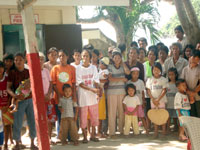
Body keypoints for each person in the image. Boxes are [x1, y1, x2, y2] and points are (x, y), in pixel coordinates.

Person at [7, 53, 37, 150]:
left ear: (24, 61)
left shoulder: (29, 72)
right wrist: (15, 96)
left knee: (32, 121)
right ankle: (17, 144)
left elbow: (34, 85)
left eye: (20, 60)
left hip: (30, 100)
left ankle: (33, 143)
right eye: (16, 60)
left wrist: (30, 86)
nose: (18, 62)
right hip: (18, 101)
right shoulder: (12, 73)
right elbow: (8, 88)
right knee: (17, 122)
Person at [51, 50, 76, 141]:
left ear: (67, 57)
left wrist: (73, 96)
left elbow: (73, 84)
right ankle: (61, 137)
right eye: (60, 56)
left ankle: (70, 136)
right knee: (61, 118)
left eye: (63, 56)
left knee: (69, 116)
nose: (61, 58)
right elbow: (53, 84)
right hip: (59, 98)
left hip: (69, 98)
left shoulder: (72, 68)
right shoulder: (55, 68)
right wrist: (59, 95)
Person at [76, 49, 100, 143]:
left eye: (87, 56)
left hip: (93, 98)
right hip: (83, 97)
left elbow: (96, 80)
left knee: (94, 117)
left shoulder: (93, 68)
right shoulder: (78, 68)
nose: (85, 58)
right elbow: (80, 84)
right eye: (83, 56)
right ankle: (85, 136)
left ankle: (93, 135)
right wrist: (92, 89)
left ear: (90, 57)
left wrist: (97, 90)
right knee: (83, 118)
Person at [107, 50, 130, 138]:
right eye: (115, 58)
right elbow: (110, 79)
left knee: (121, 112)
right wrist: (122, 79)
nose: (117, 59)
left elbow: (128, 72)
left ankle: (121, 130)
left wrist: (123, 63)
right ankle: (112, 132)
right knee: (112, 113)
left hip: (122, 92)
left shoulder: (122, 67)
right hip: (111, 93)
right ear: (112, 58)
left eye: (119, 58)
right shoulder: (110, 67)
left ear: (121, 59)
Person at [146, 62, 168, 139]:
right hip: (153, 101)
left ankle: (163, 132)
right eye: (154, 69)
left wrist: (158, 99)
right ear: (152, 70)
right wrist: (153, 99)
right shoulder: (149, 80)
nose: (156, 71)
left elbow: (164, 90)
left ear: (160, 70)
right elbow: (148, 90)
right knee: (155, 116)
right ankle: (155, 132)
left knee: (163, 115)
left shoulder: (163, 79)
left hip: (161, 100)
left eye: (157, 69)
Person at [39, 52, 56, 144]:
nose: (40, 60)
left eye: (42, 58)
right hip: (39, 100)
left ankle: (49, 138)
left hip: (48, 98)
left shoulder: (46, 71)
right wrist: (42, 97)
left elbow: (50, 84)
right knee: (41, 119)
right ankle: (41, 138)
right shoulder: (34, 71)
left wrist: (48, 94)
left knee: (49, 119)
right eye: (38, 58)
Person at [127, 67, 149, 135]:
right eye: (134, 73)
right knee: (134, 117)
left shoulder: (141, 82)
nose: (135, 75)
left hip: (139, 103)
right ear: (131, 74)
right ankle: (135, 130)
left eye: (137, 74)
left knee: (142, 117)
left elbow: (142, 92)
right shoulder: (129, 82)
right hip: (131, 104)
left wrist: (144, 101)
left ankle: (146, 130)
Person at [181, 50, 200, 117]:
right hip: (187, 95)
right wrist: (189, 93)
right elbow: (182, 83)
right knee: (191, 115)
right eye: (193, 58)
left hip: (198, 96)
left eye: (197, 60)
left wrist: (193, 93)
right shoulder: (185, 69)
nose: (194, 61)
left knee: (198, 114)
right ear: (189, 57)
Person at [0, 61, 12, 150]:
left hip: (6, 106)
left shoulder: (7, 78)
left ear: (4, 68)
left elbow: (10, 93)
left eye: (1, 67)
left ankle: (6, 144)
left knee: (7, 125)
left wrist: (7, 105)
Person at [98, 57, 109, 137]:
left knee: (100, 114)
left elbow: (105, 79)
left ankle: (100, 131)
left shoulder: (105, 71)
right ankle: (98, 131)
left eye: (101, 63)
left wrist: (96, 81)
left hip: (101, 93)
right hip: (97, 93)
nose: (99, 64)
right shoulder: (101, 71)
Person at [166, 68, 178, 133]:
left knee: (175, 117)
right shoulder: (167, 84)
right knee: (168, 117)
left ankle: (176, 127)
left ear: (176, 74)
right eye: (169, 75)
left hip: (176, 104)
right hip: (168, 104)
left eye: (172, 74)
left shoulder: (177, 84)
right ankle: (168, 128)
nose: (171, 76)